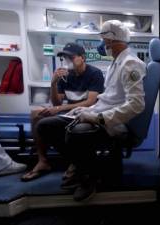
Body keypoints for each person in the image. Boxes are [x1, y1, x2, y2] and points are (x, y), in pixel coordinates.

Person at [35, 20, 146, 201]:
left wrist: (98, 118)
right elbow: (107, 99)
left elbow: (136, 104)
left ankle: (89, 177)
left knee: (75, 134)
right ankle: (82, 166)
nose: (102, 45)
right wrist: (82, 110)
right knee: (45, 126)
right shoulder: (115, 63)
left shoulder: (130, 64)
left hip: (112, 122)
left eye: (103, 40)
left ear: (112, 41)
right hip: (99, 112)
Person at [21, 43, 105, 181]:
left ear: (82, 58)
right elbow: (57, 102)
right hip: (69, 113)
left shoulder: (94, 73)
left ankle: (74, 161)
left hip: (87, 113)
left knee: (55, 122)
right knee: (36, 114)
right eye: (65, 58)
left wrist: (59, 109)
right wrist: (53, 83)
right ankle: (43, 161)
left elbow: (90, 102)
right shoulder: (65, 76)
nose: (67, 61)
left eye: (70, 57)